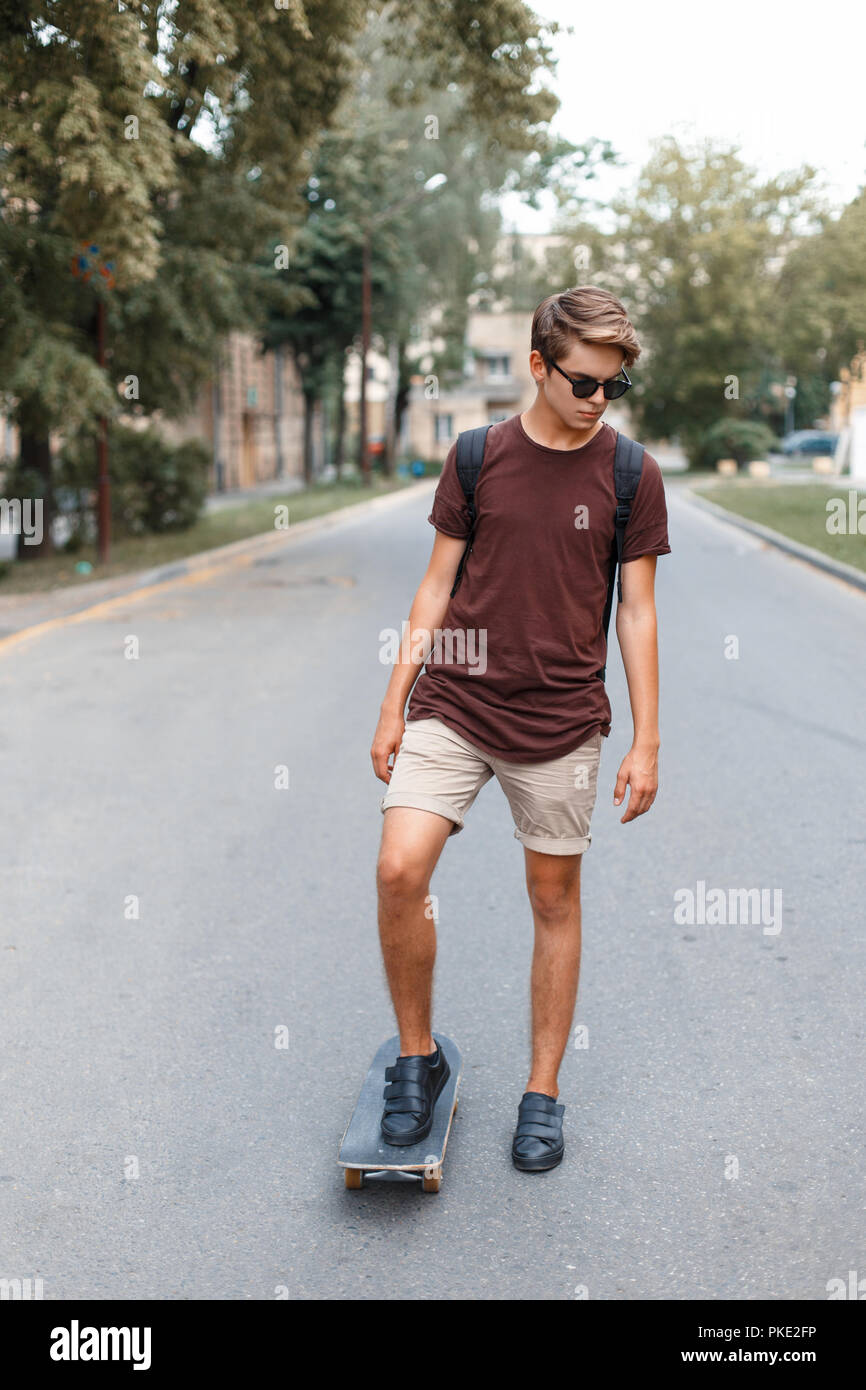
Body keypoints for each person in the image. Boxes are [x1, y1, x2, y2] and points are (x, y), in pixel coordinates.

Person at [370, 286, 671, 1171]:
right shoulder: (475, 457)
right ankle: (415, 1063)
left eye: (612, 387)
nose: (596, 401)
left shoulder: (629, 474)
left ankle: (542, 1093)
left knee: (553, 902)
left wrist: (647, 739)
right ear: (536, 366)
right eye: (582, 382)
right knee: (399, 868)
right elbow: (435, 589)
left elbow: (638, 614)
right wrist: (394, 701)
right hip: (456, 704)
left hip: (560, 718)